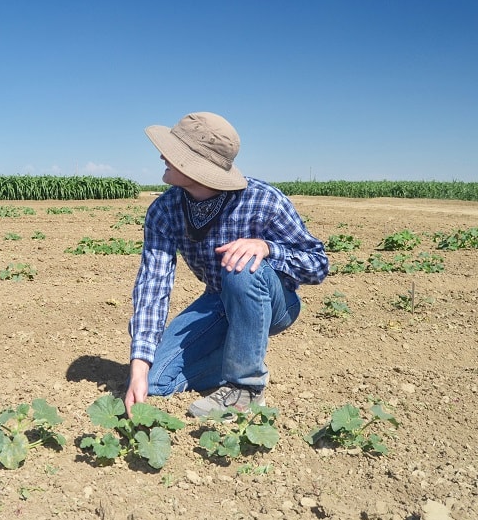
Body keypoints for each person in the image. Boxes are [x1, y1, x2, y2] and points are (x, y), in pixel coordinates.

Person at [124, 112, 328, 417]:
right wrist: (138, 368)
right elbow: (153, 284)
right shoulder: (164, 210)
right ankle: (238, 355)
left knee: (244, 267)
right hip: (216, 301)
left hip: (273, 303)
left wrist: (267, 248)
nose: (162, 155)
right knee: (156, 381)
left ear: (198, 166)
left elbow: (317, 265)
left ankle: (245, 388)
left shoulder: (263, 200)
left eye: (174, 152)